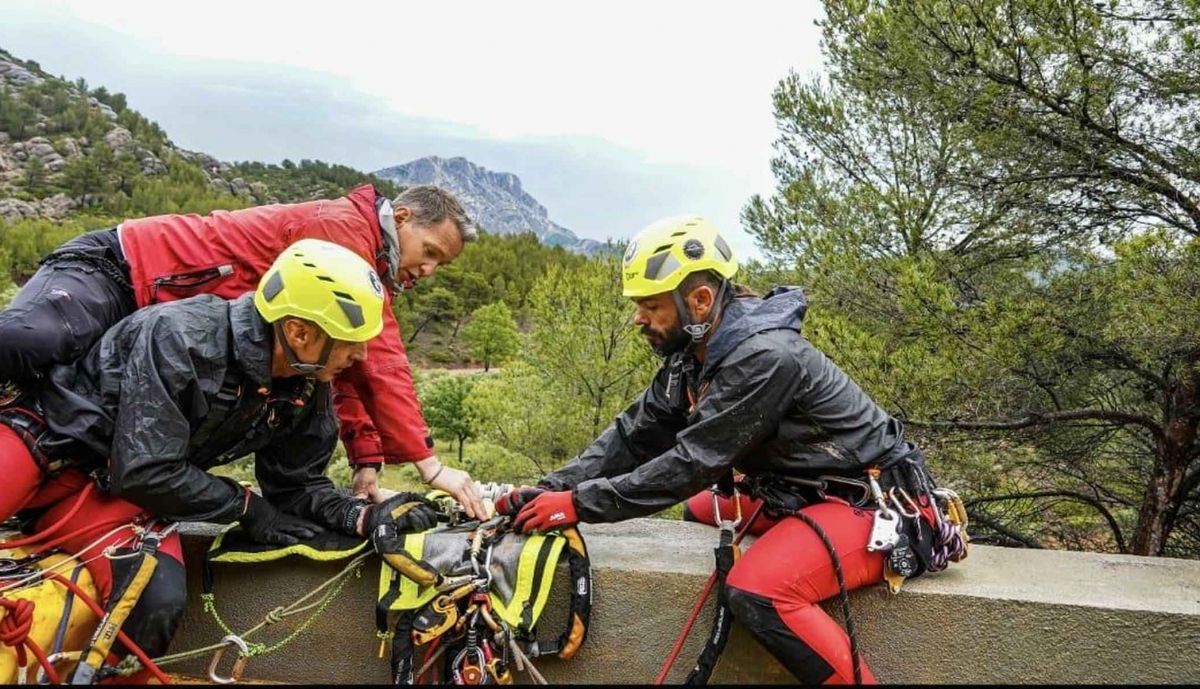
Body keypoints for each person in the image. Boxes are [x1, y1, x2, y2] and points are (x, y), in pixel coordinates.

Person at [497, 216, 956, 685]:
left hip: (874, 504)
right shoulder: (694, 354)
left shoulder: (764, 357)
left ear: (698, 301)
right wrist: (550, 488)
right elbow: (635, 435)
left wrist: (575, 505)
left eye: (650, 305)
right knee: (700, 512)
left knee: (757, 591)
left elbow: (692, 463)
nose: (638, 318)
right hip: (802, 491)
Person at [0, 239, 439, 672]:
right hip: (46, 444)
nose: (360, 355)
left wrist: (358, 517)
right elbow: (147, 468)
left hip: (110, 497)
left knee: (156, 602)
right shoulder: (179, 336)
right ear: (299, 332)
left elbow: (296, 485)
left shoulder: (306, 382)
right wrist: (246, 507)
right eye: (350, 341)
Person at [0, 184, 487, 518]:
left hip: (149, 323)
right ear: (401, 218)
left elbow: (346, 363)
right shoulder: (343, 231)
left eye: (439, 265)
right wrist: (429, 465)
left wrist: (366, 459)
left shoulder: (365, 264)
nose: (428, 271)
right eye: (429, 252)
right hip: (121, 270)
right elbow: (382, 360)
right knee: (35, 342)